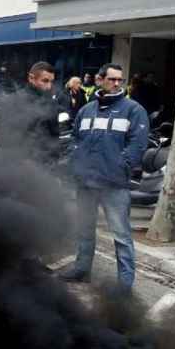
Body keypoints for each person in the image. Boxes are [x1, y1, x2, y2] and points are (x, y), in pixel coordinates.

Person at [60, 64, 149, 295]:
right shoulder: (86, 110)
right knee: (85, 229)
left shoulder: (134, 110)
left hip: (114, 184)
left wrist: (121, 165)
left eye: (120, 80)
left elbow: (138, 145)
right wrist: (76, 159)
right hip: (86, 181)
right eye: (112, 79)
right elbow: (75, 138)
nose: (117, 83)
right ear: (100, 80)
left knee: (121, 235)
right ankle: (82, 269)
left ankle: (124, 285)